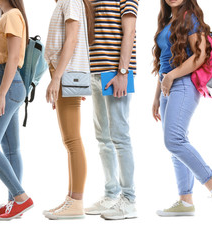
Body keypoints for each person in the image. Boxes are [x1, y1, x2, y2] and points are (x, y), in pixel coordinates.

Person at [151, 0, 212, 221]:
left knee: (174, 140)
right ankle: (185, 201)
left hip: (183, 84)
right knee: (175, 145)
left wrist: (171, 77)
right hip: (168, 86)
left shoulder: (190, 18)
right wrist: (157, 96)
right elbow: (164, 62)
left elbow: (199, 56)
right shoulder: (168, 21)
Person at [85, 0, 139, 220]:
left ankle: (129, 199)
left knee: (119, 137)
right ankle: (111, 194)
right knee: (102, 138)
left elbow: (130, 31)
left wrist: (123, 72)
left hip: (115, 73)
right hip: (95, 72)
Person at [0, 0, 33, 221]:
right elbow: (4, 54)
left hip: (8, 86)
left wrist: (0, 94)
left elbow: (12, 58)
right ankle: (14, 203)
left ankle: (21, 198)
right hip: (7, 84)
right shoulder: (6, 17)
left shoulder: (12, 16)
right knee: (10, 148)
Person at [43, 0, 94, 220]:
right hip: (65, 74)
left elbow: (72, 40)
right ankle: (72, 199)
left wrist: (56, 78)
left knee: (72, 140)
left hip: (66, 74)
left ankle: (76, 202)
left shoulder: (70, 0)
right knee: (70, 140)